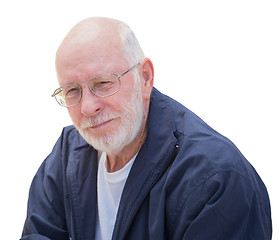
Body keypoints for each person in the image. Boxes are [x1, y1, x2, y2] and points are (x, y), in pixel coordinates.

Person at [20, 17, 272, 240]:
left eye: (104, 83)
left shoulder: (216, 180)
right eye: (72, 91)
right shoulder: (67, 156)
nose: (87, 107)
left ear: (145, 77)